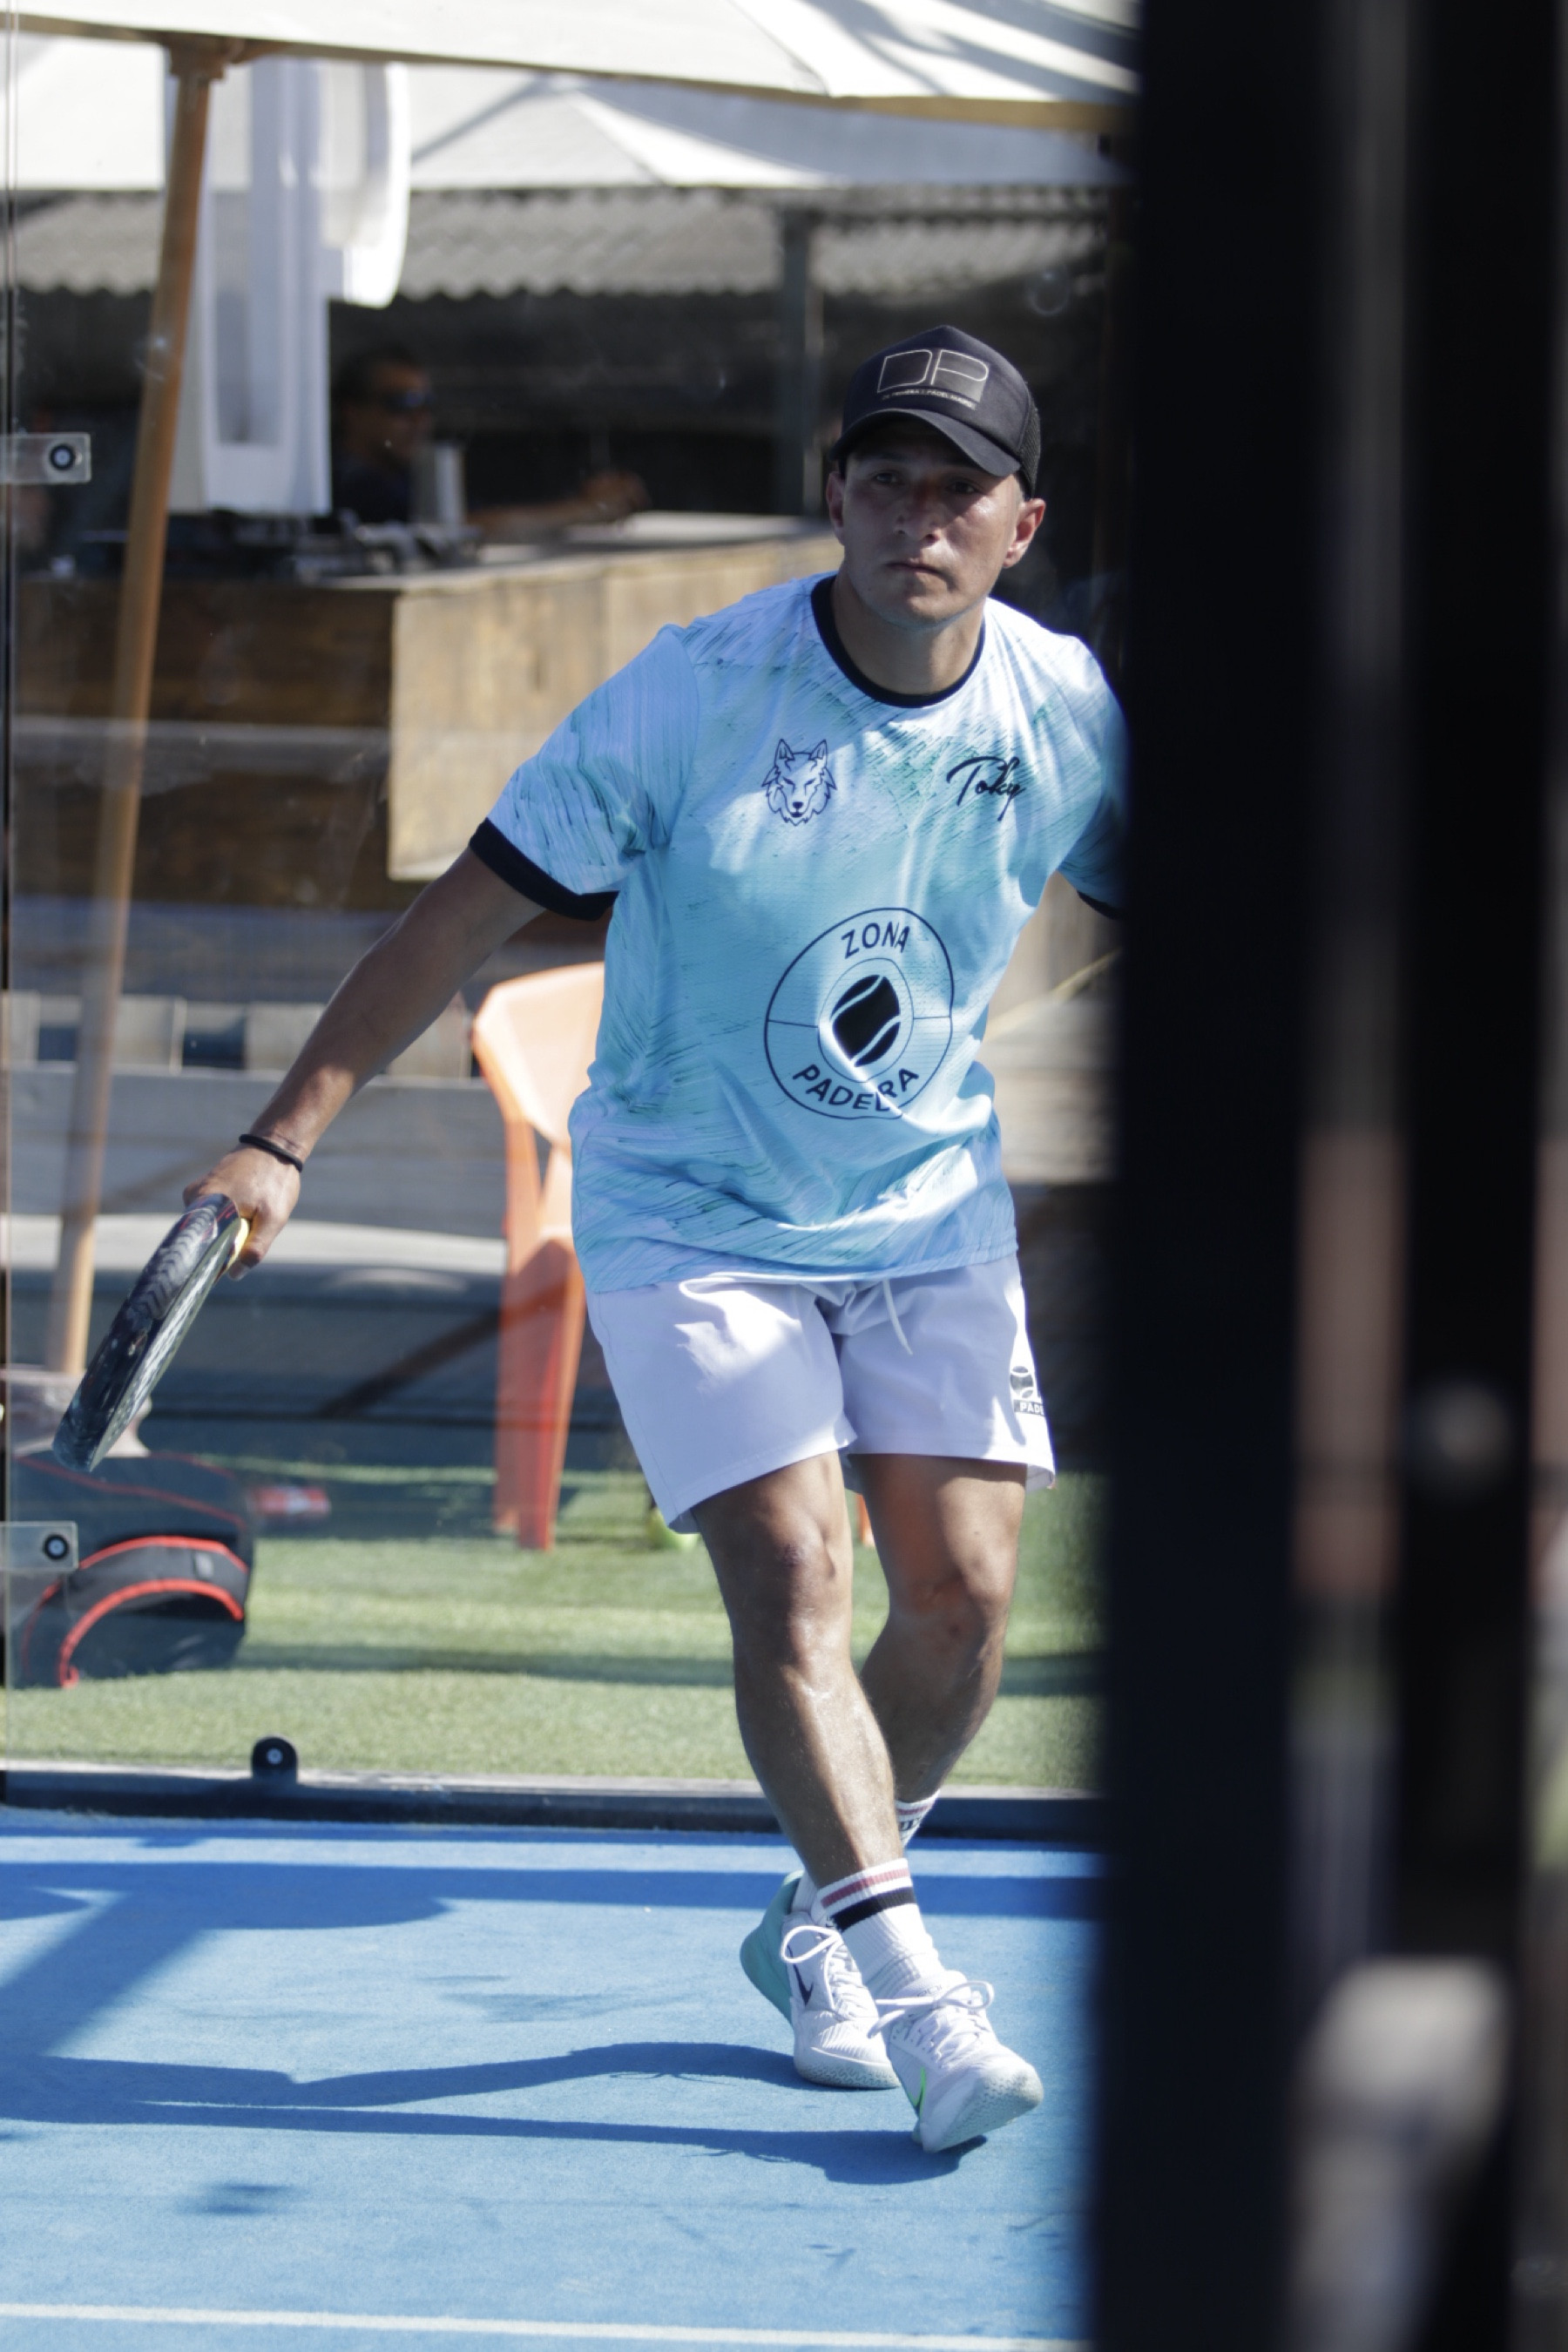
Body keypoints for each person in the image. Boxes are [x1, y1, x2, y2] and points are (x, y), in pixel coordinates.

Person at [192, 323, 1125, 2156]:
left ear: (1022, 525)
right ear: (835, 497)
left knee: (965, 1608)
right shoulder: (689, 697)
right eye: (885, 480)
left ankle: (815, 1921)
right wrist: (276, 1140)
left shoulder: (1065, 712)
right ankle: (916, 1995)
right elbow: (450, 927)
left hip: (926, 1203)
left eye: (958, 491)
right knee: (794, 1572)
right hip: (689, 1208)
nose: (917, 519)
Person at [330, 346, 648, 535]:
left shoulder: (402, 477)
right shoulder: (346, 485)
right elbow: (464, 530)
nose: (419, 419)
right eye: (401, 404)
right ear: (353, 412)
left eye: (426, 405)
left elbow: (489, 517)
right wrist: (586, 510)